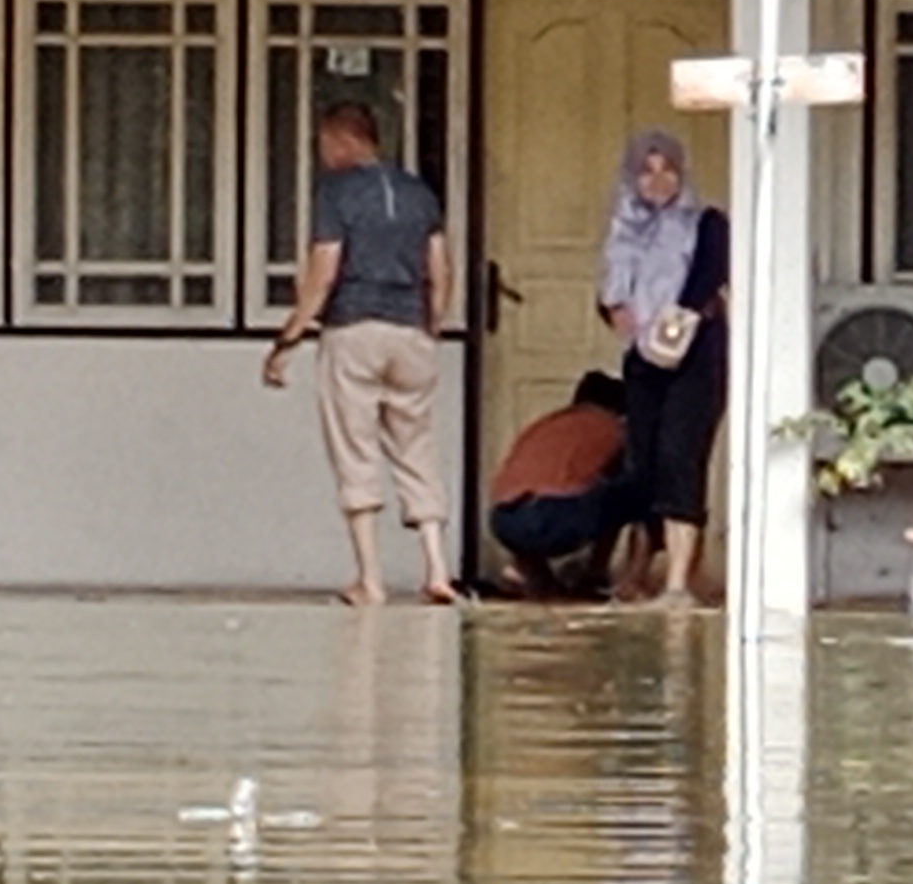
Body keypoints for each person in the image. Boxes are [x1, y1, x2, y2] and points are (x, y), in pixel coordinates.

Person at [262, 102, 456, 607]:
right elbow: (441, 268)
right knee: (415, 447)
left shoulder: (338, 192)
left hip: (355, 329)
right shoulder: (419, 194)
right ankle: (437, 568)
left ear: (343, 140)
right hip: (412, 332)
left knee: (355, 448)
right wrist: (430, 325)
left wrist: (289, 338)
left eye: (325, 143)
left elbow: (324, 269)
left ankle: (369, 578)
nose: (322, 154)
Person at [603, 128, 730, 608]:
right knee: (644, 464)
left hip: (696, 353)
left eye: (667, 169)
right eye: (647, 171)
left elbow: (706, 281)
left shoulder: (707, 222)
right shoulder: (625, 229)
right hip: (643, 358)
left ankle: (677, 582)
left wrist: (674, 329)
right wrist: (615, 310)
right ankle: (635, 575)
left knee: (681, 459)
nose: (658, 180)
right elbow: (612, 292)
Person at [487, 371, 637, 599]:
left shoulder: (545, 424)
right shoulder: (612, 427)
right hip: (556, 518)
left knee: (534, 495)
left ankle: (529, 571)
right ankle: (599, 575)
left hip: (503, 519)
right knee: (632, 490)